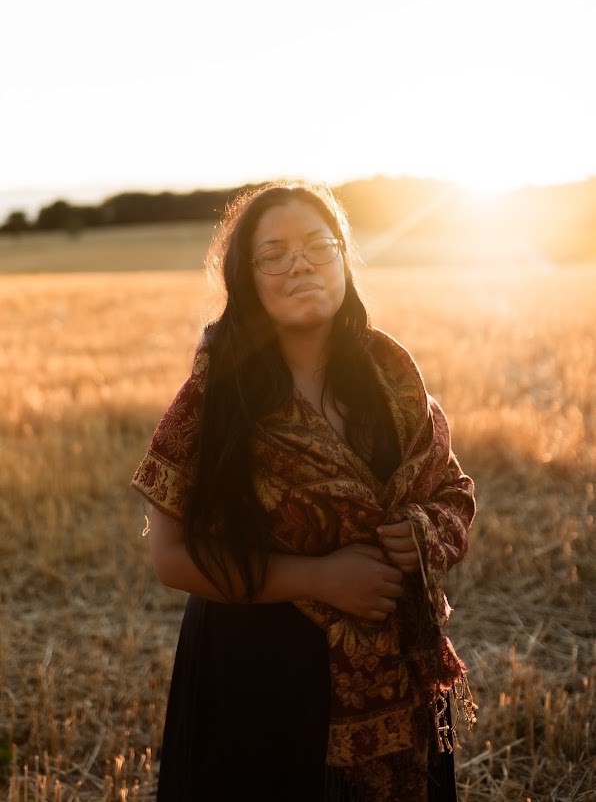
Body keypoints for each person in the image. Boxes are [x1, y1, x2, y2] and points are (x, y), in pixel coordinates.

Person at [131, 182, 477, 802]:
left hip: (398, 667)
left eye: (320, 245)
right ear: (246, 275)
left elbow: (452, 491)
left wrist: (419, 532)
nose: (300, 264)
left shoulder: (394, 378)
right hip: (258, 678)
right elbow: (170, 556)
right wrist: (318, 579)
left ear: (344, 258)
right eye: (274, 254)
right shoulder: (213, 401)